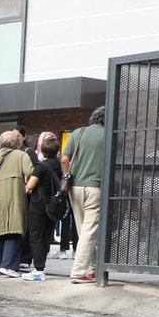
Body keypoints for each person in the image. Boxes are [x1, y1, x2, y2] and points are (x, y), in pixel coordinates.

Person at [62, 106, 105, 283]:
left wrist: (66, 175)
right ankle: (79, 271)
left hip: (75, 187)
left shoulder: (77, 133)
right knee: (90, 230)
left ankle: (91, 270)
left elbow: (64, 159)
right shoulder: (109, 134)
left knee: (84, 230)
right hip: (96, 186)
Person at [0, 129, 33, 277]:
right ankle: (9, 266)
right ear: (18, 143)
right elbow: (31, 173)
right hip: (14, 197)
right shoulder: (21, 155)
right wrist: (28, 187)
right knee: (14, 229)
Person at [22, 132, 62, 280]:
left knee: (35, 235)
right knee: (46, 235)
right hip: (54, 204)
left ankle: (39, 270)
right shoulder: (59, 165)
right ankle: (41, 265)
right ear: (57, 151)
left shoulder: (40, 166)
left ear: (42, 150)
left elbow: (29, 186)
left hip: (38, 204)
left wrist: (26, 185)